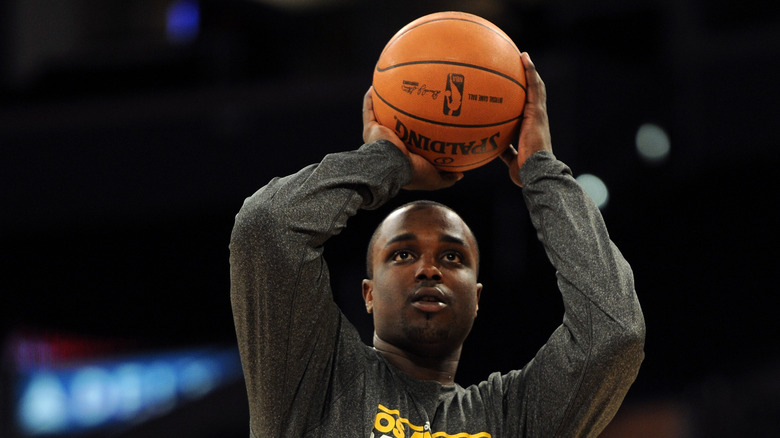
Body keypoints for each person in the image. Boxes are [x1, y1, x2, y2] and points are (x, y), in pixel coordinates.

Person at [229, 52, 645, 437]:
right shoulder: (313, 380)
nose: (429, 269)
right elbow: (267, 227)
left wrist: (542, 172)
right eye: (402, 254)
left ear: (477, 298)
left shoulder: (512, 418)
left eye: (452, 256)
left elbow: (614, 334)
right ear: (368, 294)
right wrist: (386, 161)